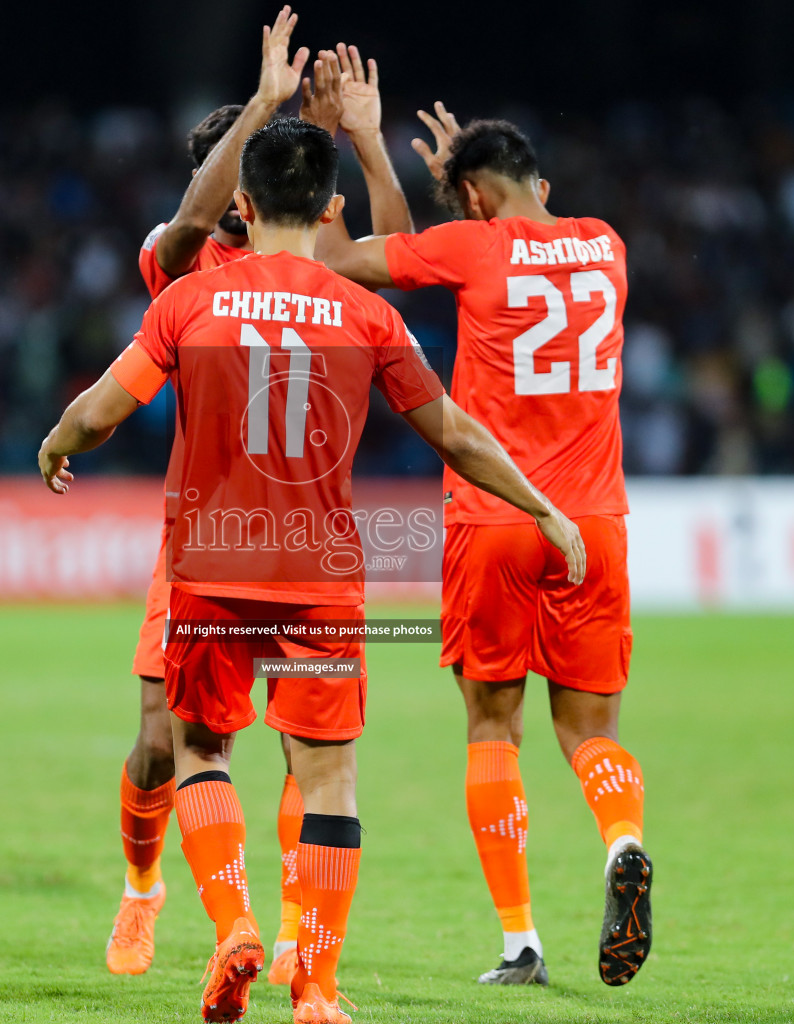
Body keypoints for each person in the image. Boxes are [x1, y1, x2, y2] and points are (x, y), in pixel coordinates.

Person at [38, 117, 584, 1024]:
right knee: (328, 777)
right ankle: (318, 986)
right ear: (331, 206)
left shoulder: (189, 304)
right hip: (322, 578)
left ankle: (232, 929)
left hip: (211, 565)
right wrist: (542, 503)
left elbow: (105, 408)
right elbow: (451, 429)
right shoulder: (367, 314)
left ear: (241, 208)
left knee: (202, 750)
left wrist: (61, 439)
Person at [110, 7, 412, 984]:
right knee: (163, 740)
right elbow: (193, 221)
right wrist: (270, 114)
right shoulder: (188, 253)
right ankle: (143, 889)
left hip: (287, 548)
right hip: (201, 538)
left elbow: (397, 261)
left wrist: (350, 142)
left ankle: (285, 934)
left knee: (300, 744)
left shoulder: (310, 250)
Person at [320, 111, 652, 987]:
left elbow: (355, 260)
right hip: (595, 526)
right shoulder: (606, 243)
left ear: (470, 197)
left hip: (497, 517)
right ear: (539, 183)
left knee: (491, 725)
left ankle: (520, 943)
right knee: (590, 729)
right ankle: (623, 839)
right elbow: (519, 223)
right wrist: (468, 191)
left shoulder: (469, 247)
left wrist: (359, 142)